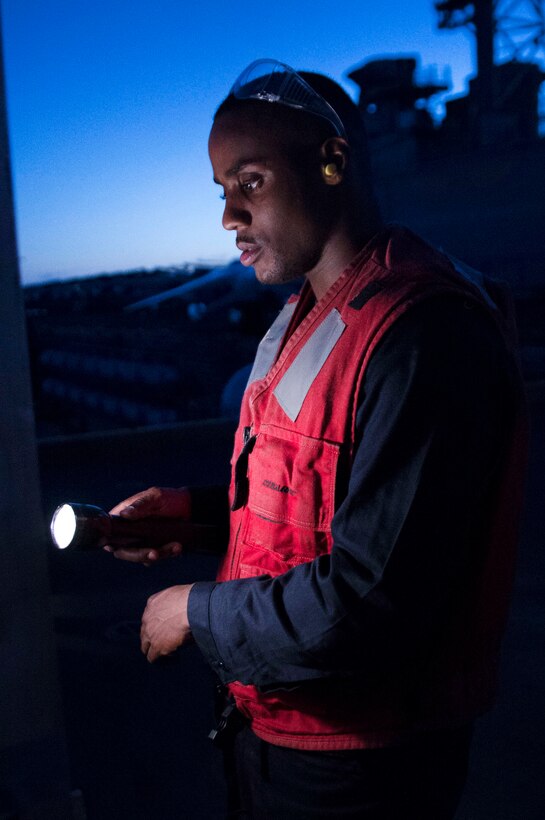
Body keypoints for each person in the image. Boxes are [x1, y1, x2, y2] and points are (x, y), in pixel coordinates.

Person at [107, 60, 527, 818]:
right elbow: (320, 505)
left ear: (333, 161)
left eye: (251, 182)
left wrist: (191, 611)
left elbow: (372, 597)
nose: (228, 216)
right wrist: (188, 516)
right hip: (282, 732)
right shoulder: (316, 314)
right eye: (222, 191)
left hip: (361, 762)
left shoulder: (418, 333)